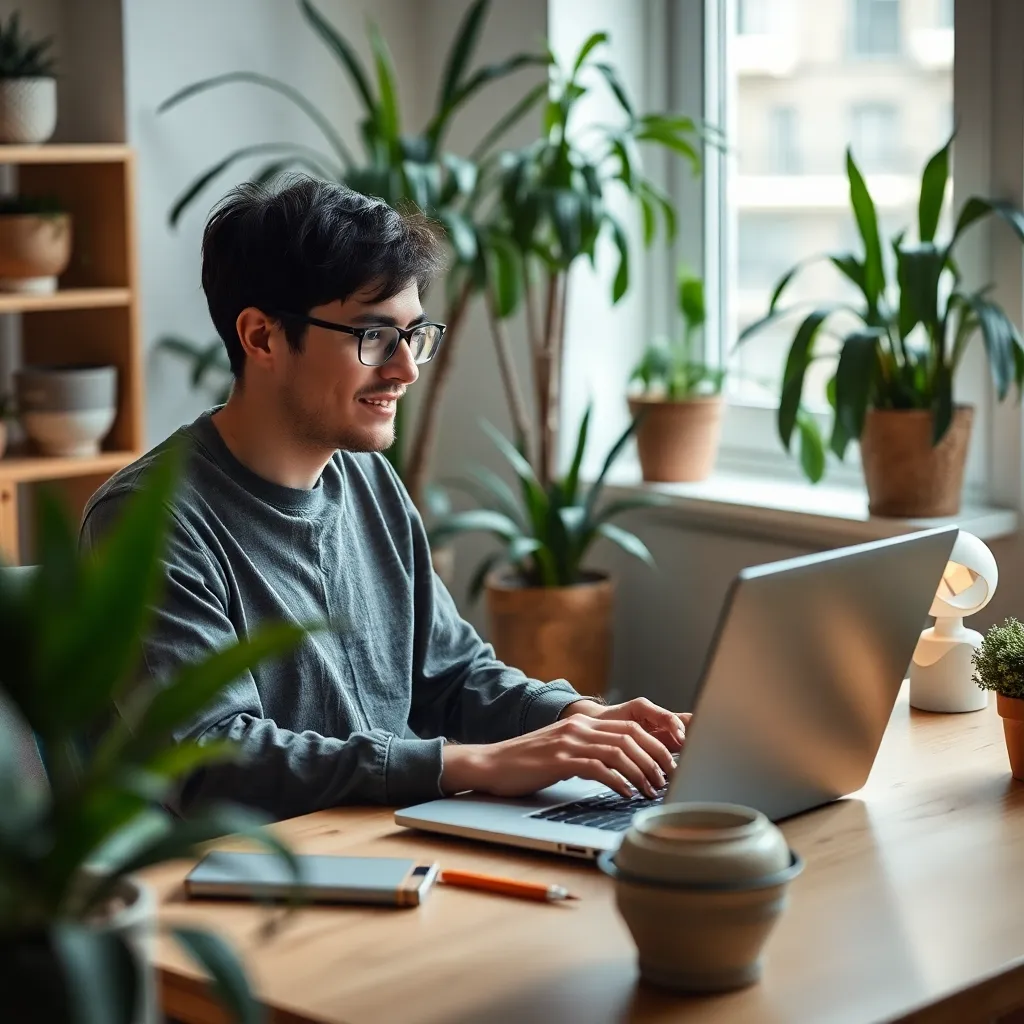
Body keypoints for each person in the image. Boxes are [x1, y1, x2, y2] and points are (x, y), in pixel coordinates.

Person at [81, 177, 689, 821]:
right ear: (261, 337)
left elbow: (451, 676)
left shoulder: (367, 479)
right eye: (373, 337)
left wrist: (579, 719)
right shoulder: (147, 520)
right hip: (253, 886)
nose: (406, 369)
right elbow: (210, 760)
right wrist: (468, 764)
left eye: (415, 334)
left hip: (389, 849)